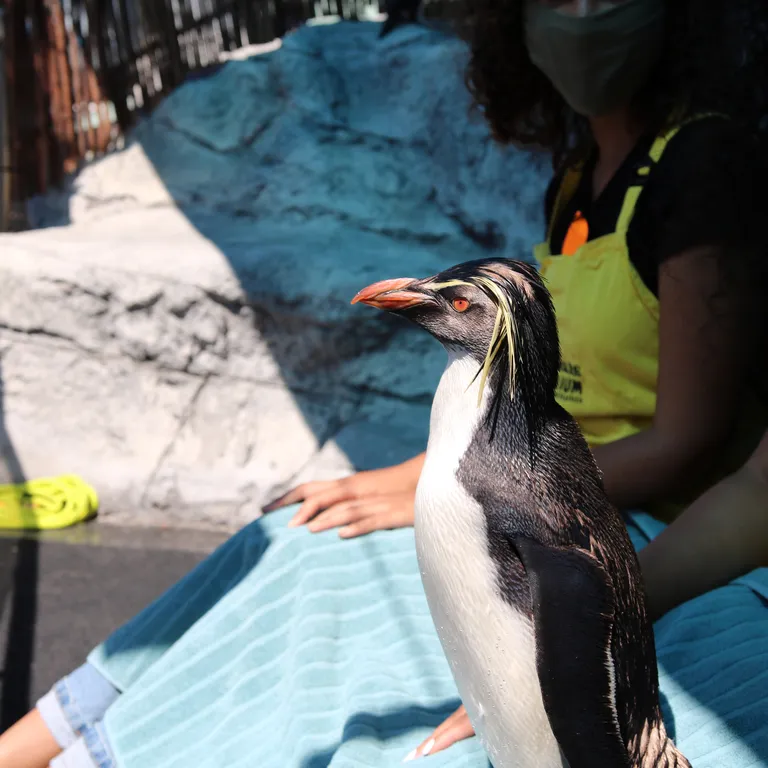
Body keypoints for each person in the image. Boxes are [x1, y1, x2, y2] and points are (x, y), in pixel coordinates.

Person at [2, 0, 768, 765]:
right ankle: (41, 742)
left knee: (322, 585)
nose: (583, 16)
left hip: (613, 514)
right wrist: (439, 479)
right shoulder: (579, 176)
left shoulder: (702, 169)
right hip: (530, 483)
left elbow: (686, 443)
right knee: (292, 531)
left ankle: (106, 750)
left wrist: (476, 509)